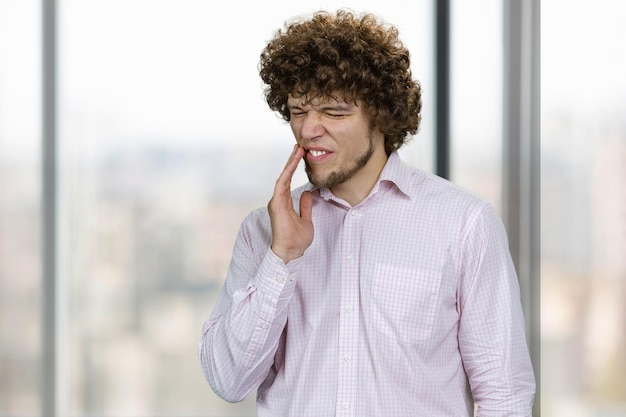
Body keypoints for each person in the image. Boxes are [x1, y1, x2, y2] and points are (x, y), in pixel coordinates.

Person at [198, 9, 535, 416]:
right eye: (298, 111)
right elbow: (228, 381)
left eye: (334, 113)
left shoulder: (464, 224)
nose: (308, 130)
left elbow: (505, 394)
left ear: (381, 115)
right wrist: (280, 258)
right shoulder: (263, 232)